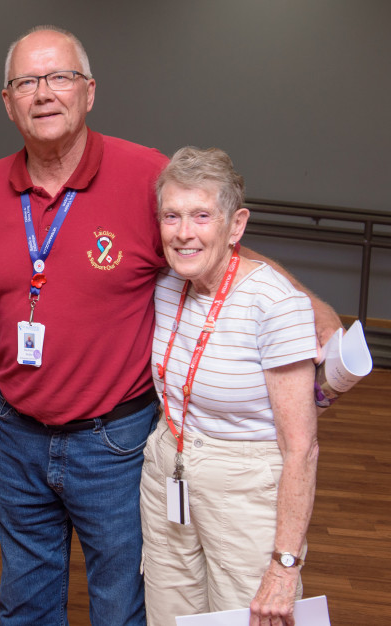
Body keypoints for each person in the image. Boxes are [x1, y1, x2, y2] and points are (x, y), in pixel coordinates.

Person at [0, 26, 340, 625]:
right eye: (26, 82)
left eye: (60, 77)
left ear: (89, 92)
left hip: (113, 443)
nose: (44, 93)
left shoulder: (144, 174)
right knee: (24, 604)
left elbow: (209, 244)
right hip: (17, 436)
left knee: (121, 606)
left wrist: (308, 305)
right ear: (8, 102)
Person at [141, 147, 319, 626]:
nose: (184, 232)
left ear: (236, 225)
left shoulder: (275, 304)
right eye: (171, 216)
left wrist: (285, 564)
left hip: (245, 491)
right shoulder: (166, 285)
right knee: (168, 616)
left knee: (248, 616)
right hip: (168, 475)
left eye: (202, 216)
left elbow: (300, 448)